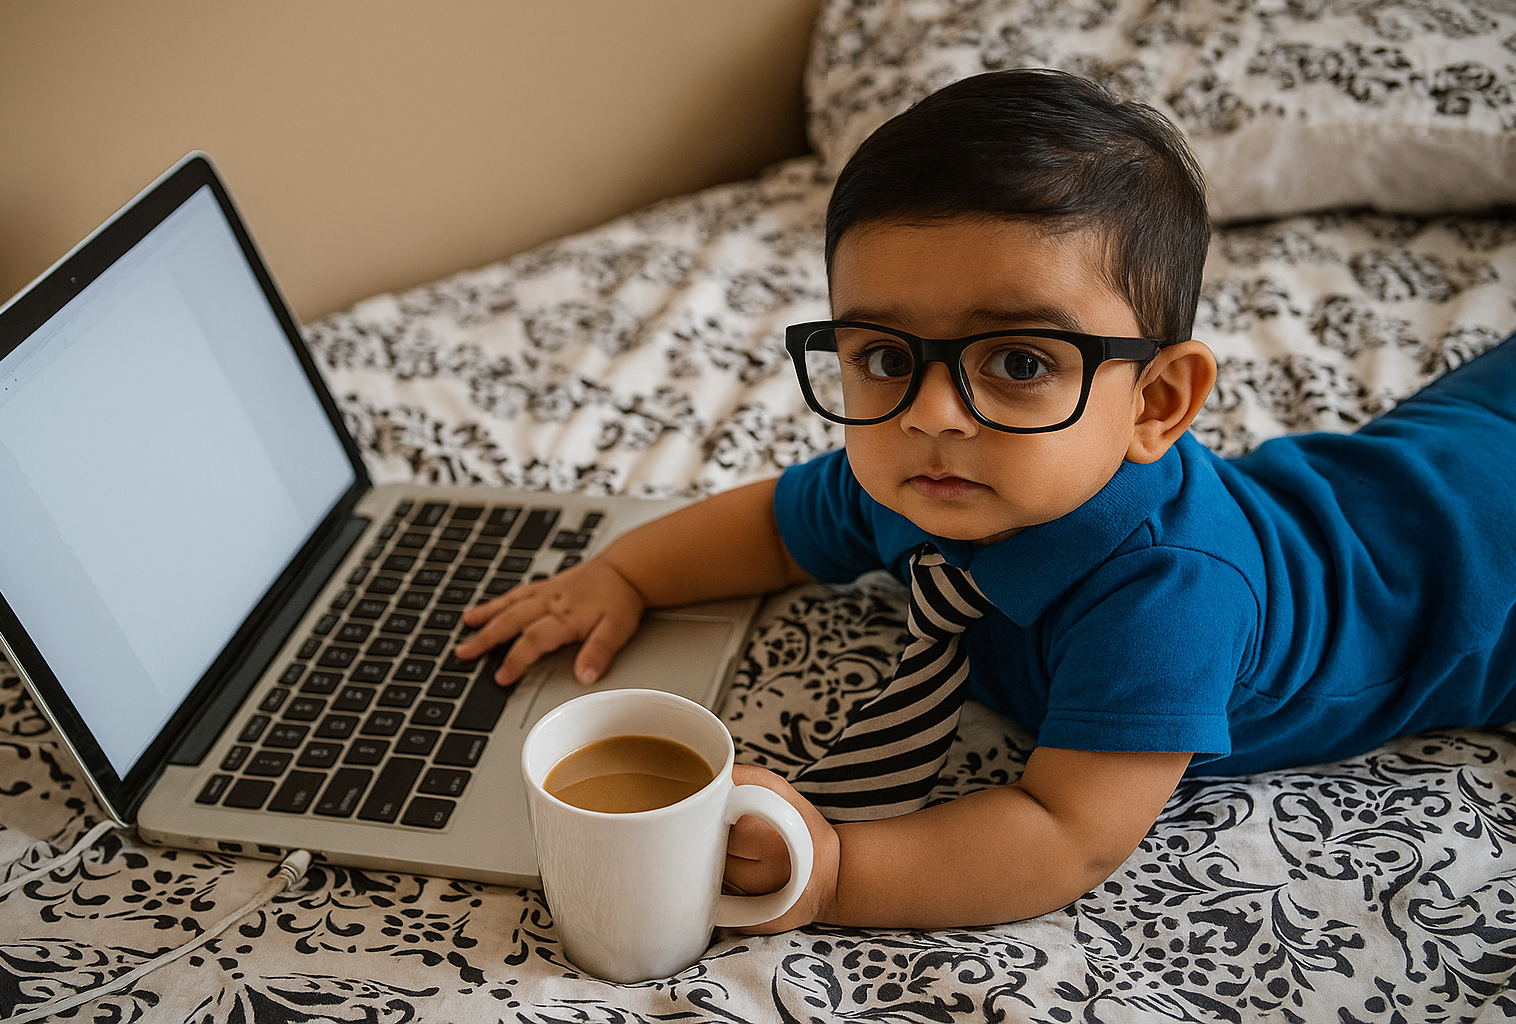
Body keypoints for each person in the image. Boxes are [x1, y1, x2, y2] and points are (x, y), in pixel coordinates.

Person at [452, 69, 1516, 931]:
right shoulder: (925, 477)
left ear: (1157, 401)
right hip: (1425, 456)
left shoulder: (1168, 595)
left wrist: (836, 871)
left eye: (1015, 360)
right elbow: (776, 523)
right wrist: (623, 570)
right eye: (882, 353)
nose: (933, 414)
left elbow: (1063, 831)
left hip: (1481, 567)